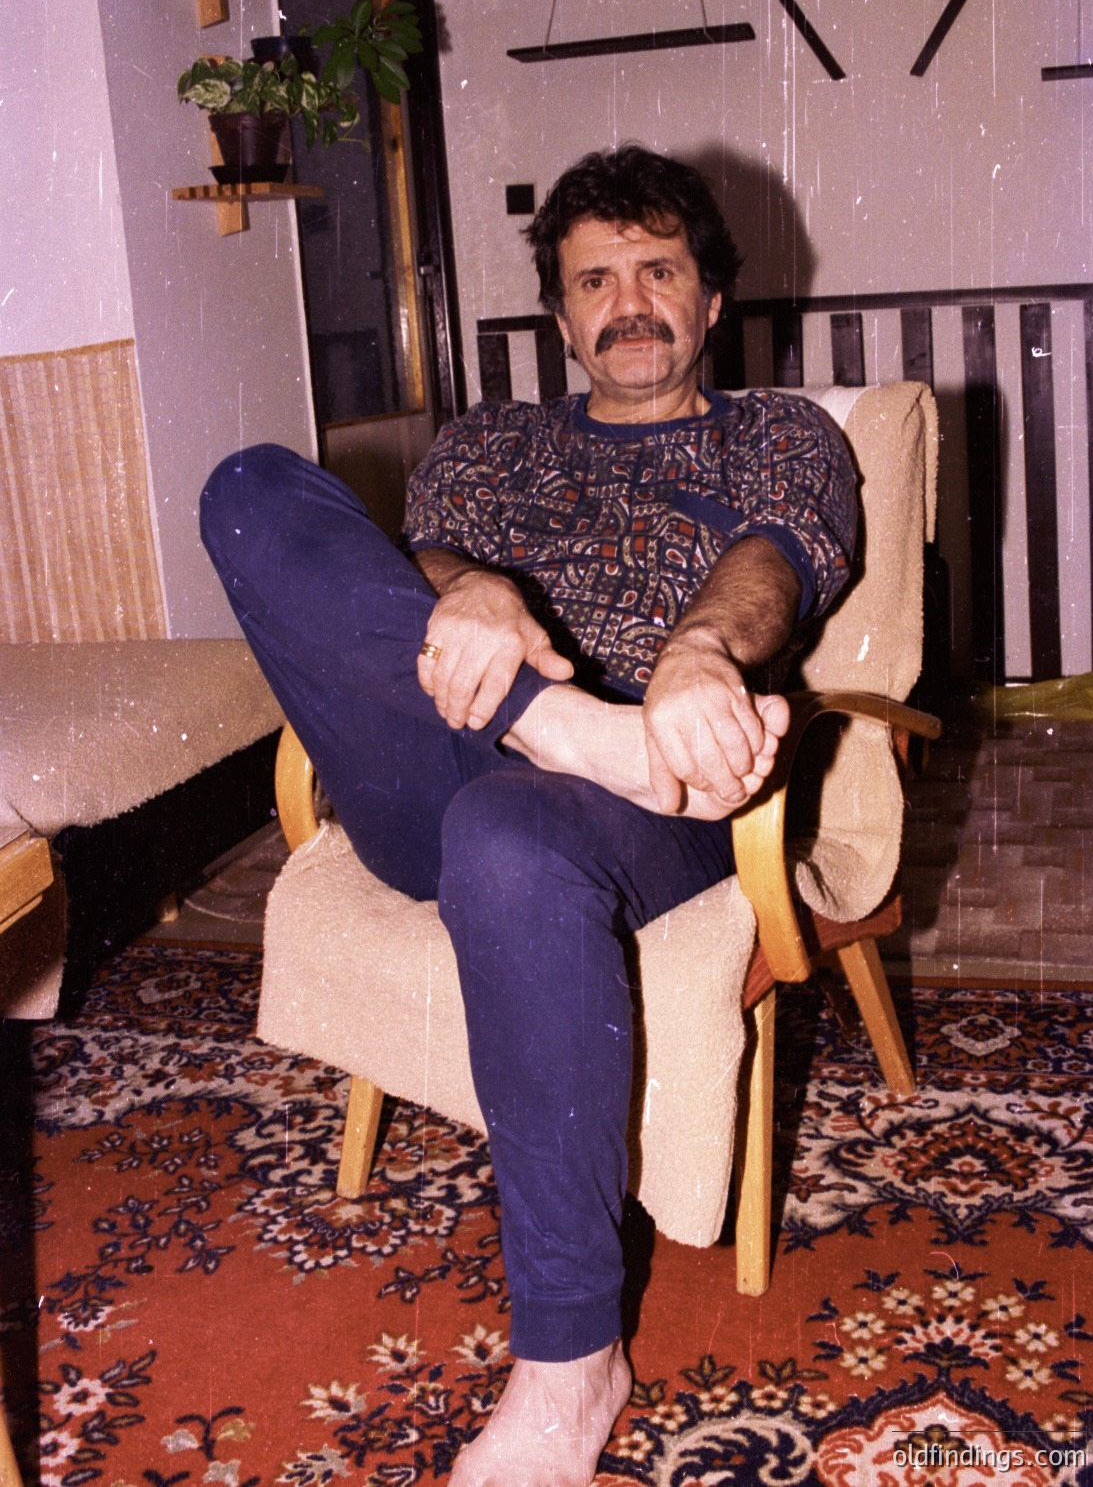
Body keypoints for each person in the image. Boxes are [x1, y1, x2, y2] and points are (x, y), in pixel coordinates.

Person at [200, 143, 856, 1486]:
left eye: (659, 272)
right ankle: (567, 735)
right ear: (558, 318)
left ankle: (571, 1365)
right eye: (594, 280)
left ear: (711, 301)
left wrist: (695, 660)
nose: (628, 301)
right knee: (248, 490)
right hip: (481, 731)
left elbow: (769, 562)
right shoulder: (487, 444)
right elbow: (428, 555)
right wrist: (465, 589)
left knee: (511, 830)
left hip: (661, 784)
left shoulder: (782, 433)